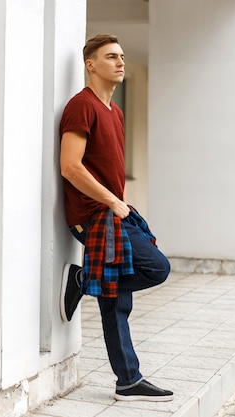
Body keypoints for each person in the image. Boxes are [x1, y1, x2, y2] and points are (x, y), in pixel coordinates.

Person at [58, 34, 174, 402]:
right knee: (157, 267)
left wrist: (122, 202)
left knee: (117, 298)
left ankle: (128, 380)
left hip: (113, 212)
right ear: (91, 64)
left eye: (122, 56)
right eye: (111, 57)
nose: (120, 62)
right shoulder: (82, 106)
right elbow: (70, 167)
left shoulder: (116, 111)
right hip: (93, 217)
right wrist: (113, 201)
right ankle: (84, 277)